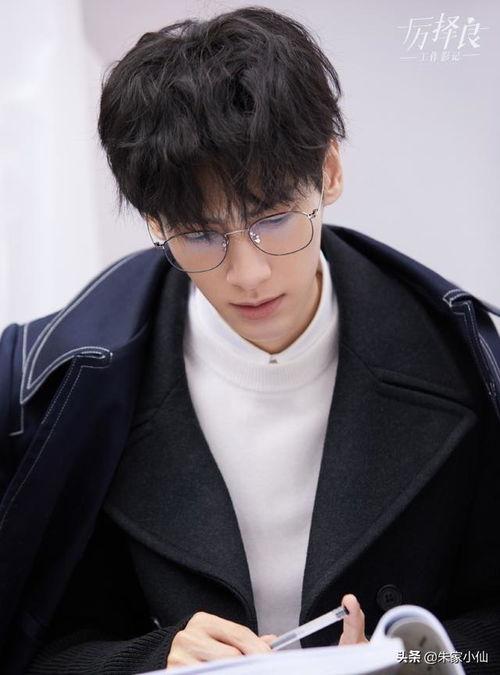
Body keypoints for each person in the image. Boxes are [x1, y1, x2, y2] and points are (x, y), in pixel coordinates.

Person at [0, 6, 499, 674]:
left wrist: (414, 657)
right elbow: (31, 642)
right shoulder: (61, 389)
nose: (249, 273)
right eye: (200, 234)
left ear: (329, 171)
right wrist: (152, 659)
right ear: (154, 221)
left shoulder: (464, 358)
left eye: (274, 218)